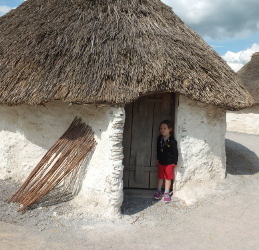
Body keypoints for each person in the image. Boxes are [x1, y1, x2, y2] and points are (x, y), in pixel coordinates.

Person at [153, 120, 178, 203]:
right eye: (161, 128)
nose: (162, 130)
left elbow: (175, 152)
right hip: (161, 162)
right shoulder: (159, 139)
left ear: (170, 129)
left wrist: (175, 162)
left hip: (169, 163)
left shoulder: (172, 140)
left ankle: (166, 193)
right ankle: (159, 191)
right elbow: (158, 150)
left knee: (168, 178)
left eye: (165, 128)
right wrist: (157, 159)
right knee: (160, 177)